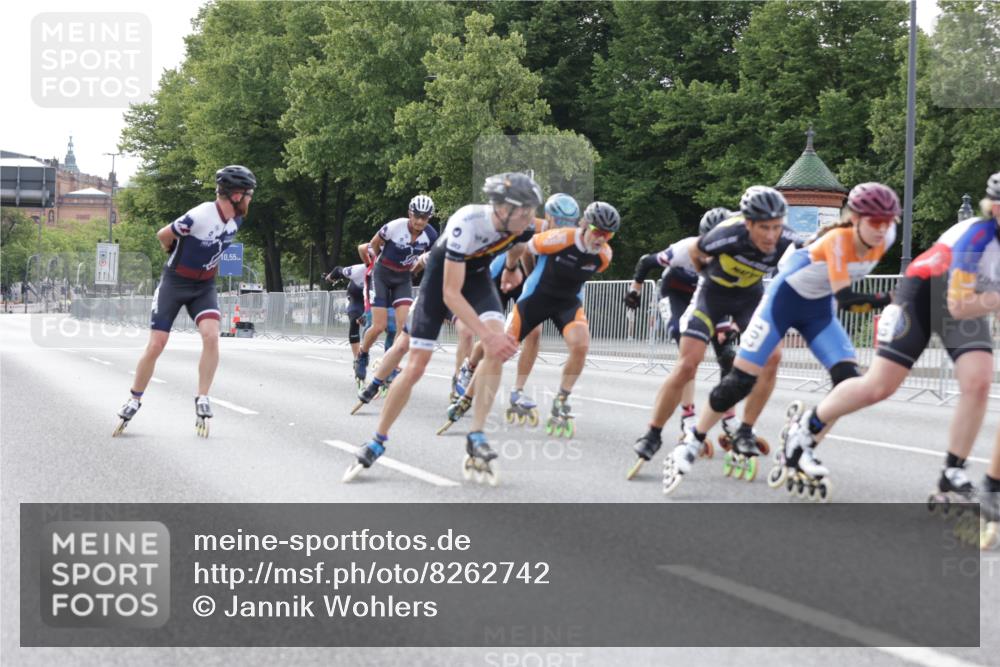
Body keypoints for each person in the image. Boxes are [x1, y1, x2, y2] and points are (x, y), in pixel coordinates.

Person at [782, 174, 1000, 532]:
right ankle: (806, 428)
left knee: (978, 384)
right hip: (927, 294)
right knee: (879, 386)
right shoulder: (976, 238)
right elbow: (959, 306)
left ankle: (956, 475)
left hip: (970, 302)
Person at [664, 182, 899, 497]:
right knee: (740, 381)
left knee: (848, 383)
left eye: (889, 222)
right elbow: (850, 302)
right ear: (854, 218)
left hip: (818, 313)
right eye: (875, 222)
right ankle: (693, 439)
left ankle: (804, 439)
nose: (883, 230)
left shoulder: (888, 236)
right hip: (781, 304)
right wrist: (896, 297)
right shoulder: (838, 242)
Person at [344, 173, 543, 485]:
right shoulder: (468, 221)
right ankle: (377, 440)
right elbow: (451, 293)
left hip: (477, 277)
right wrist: (489, 334)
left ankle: (476, 435)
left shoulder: (524, 224)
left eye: (533, 211)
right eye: (525, 212)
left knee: (495, 347)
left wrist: (511, 268)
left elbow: (525, 242)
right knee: (416, 366)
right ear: (503, 209)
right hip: (440, 282)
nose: (530, 219)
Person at [627, 186, 796, 480]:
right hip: (708, 296)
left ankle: (744, 428)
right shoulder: (726, 235)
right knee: (687, 365)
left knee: (770, 357)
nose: (771, 236)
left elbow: (809, 256)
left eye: (776, 228)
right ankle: (653, 433)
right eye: (764, 228)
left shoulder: (786, 239)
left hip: (748, 299)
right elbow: (687, 252)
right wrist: (702, 272)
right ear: (748, 224)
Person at [446, 202, 619, 438]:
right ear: (583, 225)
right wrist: (524, 273)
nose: (601, 238)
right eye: (597, 231)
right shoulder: (558, 238)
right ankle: (466, 397)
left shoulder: (604, 255)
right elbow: (524, 249)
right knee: (499, 350)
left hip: (567, 304)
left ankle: (561, 399)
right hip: (535, 299)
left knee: (581, 345)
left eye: (608, 234)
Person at [113, 165, 256, 438]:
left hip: (204, 286)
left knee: (212, 337)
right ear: (235, 195)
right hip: (175, 283)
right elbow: (163, 234)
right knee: (157, 344)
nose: (250, 200)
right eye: (248, 194)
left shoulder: (237, 220)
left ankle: (203, 396)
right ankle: (134, 398)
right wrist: (172, 252)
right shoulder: (200, 214)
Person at [451, 193, 582, 417]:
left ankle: (517, 390)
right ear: (548, 217)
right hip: (502, 274)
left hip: (528, 283)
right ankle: (470, 366)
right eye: (559, 223)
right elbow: (520, 252)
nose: (563, 229)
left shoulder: (571, 238)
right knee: (494, 335)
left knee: (533, 333)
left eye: (569, 225)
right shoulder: (532, 226)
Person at [624, 207, 734, 444]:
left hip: (709, 298)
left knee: (727, 355)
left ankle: (729, 418)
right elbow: (645, 262)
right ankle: (688, 418)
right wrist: (634, 291)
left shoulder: (734, 256)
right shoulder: (683, 250)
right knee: (689, 360)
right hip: (675, 295)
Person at [352, 195, 437, 384]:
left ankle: (391, 365)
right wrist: (374, 261)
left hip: (403, 278)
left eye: (425, 217)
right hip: (382, 274)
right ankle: (362, 354)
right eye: (417, 216)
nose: (420, 221)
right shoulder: (395, 226)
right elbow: (373, 243)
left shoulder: (430, 235)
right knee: (379, 326)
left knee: (402, 326)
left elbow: (430, 258)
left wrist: (415, 269)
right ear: (410, 214)